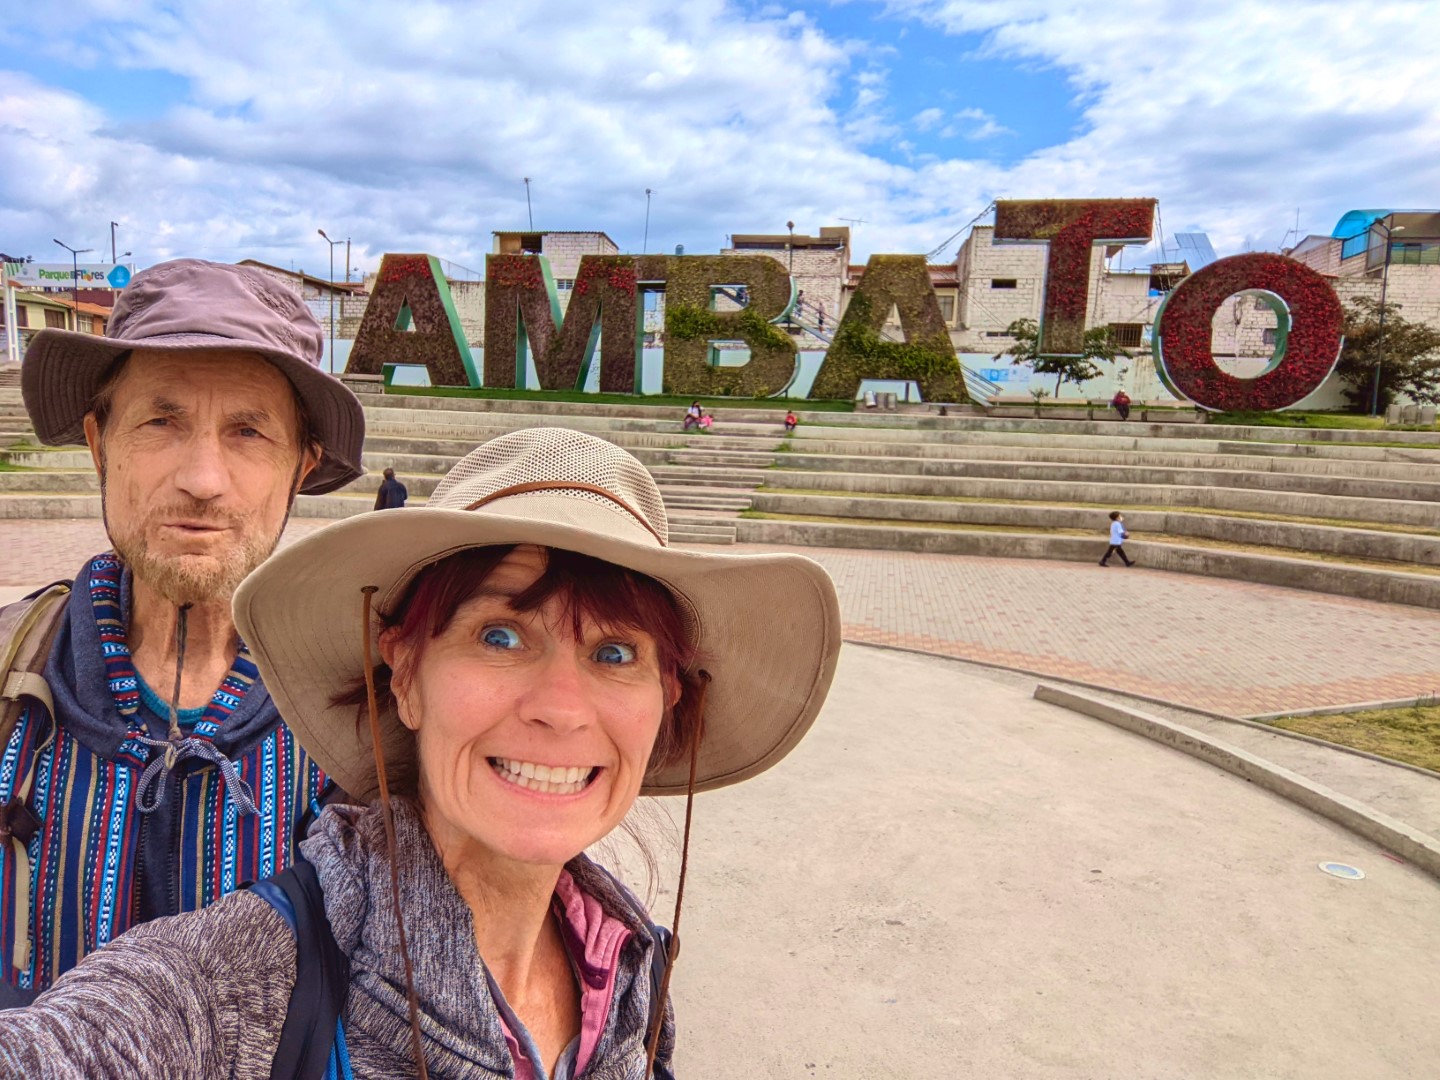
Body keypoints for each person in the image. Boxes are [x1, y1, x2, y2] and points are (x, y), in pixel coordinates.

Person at [0, 427, 843, 1079]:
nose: (559, 707)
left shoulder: (630, 967)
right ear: (404, 673)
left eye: (616, 653)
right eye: (501, 634)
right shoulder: (238, 978)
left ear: (669, 703)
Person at [0, 259, 366, 1008]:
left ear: (301, 466)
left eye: (248, 432)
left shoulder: (362, 716)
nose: (203, 477)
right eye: (161, 422)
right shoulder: (11, 672)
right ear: (102, 445)